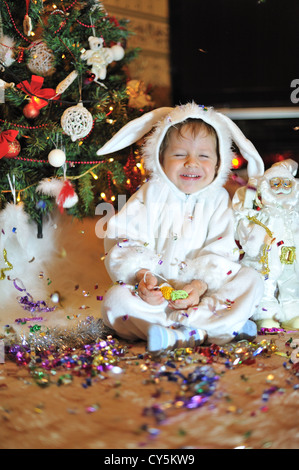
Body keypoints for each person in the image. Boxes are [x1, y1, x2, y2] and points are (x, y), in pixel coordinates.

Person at [97, 102, 265, 353]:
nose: (191, 163)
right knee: (115, 301)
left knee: (252, 280)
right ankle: (212, 329)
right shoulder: (149, 194)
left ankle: (187, 329)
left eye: (204, 156)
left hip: (202, 295)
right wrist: (144, 278)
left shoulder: (219, 199)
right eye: (179, 154)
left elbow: (223, 250)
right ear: (160, 159)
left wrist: (198, 287)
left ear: (219, 163)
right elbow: (124, 237)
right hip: (157, 300)